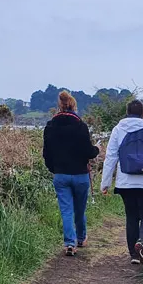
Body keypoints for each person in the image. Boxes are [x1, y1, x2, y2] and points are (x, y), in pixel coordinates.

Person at [100, 99, 143, 265]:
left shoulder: (118, 130)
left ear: (127, 112)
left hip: (126, 183)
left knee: (131, 217)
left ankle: (133, 254)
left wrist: (105, 183)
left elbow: (110, 158)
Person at [43, 91, 99, 256]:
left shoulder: (50, 126)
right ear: (74, 106)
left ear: (59, 106)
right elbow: (88, 152)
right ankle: (81, 238)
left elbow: (46, 154)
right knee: (80, 210)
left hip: (60, 175)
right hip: (81, 175)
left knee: (66, 210)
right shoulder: (80, 125)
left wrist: (54, 169)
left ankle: (69, 243)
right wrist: (97, 149)